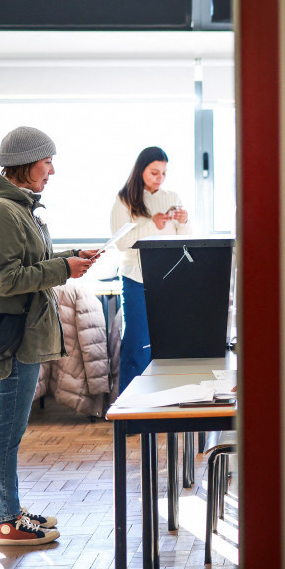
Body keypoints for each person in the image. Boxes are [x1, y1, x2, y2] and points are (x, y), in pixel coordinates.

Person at [0, 126, 99, 546]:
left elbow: (29, 262)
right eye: (47, 162)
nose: (52, 171)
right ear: (26, 163)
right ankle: (4, 521)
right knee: (6, 431)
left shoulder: (16, 208)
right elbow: (6, 280)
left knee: (11, 430)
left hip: (20, 333)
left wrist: (68, 258)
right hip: (12, 337)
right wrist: (63, 270)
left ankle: (11, 510)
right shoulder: (1, 211)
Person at [110, 146, 191, 392]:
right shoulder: (124, 199)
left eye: (164, 173)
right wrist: (152, 225)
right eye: (154, 172)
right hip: (136, 278)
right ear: (140, 170)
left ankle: (163, 403)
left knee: (168, 345)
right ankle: (130, 413)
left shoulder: (172, 196)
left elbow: (183, 241)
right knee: (137, 344)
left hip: (168, 278)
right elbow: (122, 243)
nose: (160, 178)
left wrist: (185, 223)